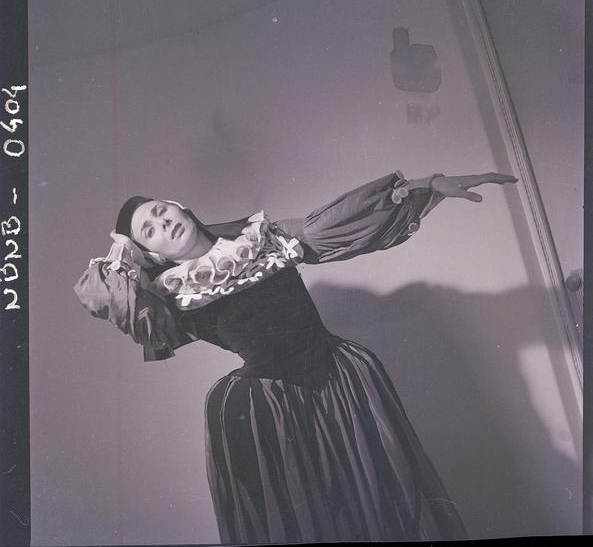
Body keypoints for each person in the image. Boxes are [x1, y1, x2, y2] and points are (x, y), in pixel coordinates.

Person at [74, 169, 517, 544]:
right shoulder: (167, 297)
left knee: (384, 499)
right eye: (148, 231)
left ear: (179, 207)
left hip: (344, 382)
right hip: (270, 411)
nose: (162, 223)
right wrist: (122, 252)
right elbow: (111, 302)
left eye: (160, 211)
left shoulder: (264, 237)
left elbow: (337, 225)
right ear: (148, 253)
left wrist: (428, 186)